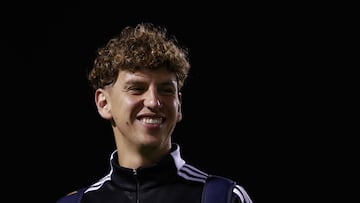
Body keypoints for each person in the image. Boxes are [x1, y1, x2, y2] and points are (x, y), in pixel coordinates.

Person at [56, 22, 253, 203]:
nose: (154, 101)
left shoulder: (225, 198)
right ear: (103, 103)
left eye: (166, 90)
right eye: (137, 88)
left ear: (179, 105)